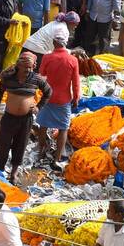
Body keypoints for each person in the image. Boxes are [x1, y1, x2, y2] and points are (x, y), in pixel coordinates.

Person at [0, 51, 51, 182]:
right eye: (26, 67)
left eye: (31, 67)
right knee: (3, 144)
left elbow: (48, 92)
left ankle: (14, 173)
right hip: (9, 117)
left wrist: (38, 107)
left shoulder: (36, 79)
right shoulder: (8, 78)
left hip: (26, 119)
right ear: (19, 65)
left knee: (21, 144)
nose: (28, 70)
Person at [37, 37, 80, 166]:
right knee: (63, 128)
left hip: (48, 97)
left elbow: (42, 73)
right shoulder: (73, 60)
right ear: (65, 45)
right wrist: (76, 97)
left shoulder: (47, 57)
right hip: (64, 99)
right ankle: (57, 158)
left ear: (54, 44)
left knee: (43, 125)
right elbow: (76, 82)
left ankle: (41, 151)